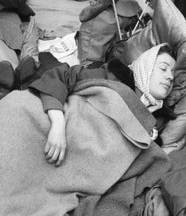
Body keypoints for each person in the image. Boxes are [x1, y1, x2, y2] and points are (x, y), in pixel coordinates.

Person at [28, 43, 176, 166]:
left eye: (173, 74)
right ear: (146, 68)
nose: (170, 76)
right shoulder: (111, 76)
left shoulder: (158, 118)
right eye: (163, 68)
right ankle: (29, 66)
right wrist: (58, 124)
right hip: (56, 121)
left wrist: (146, 123)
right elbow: (62, 76)